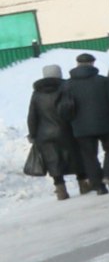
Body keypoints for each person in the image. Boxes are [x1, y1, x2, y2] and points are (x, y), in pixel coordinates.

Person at [61, 52, 109, 193]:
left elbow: (64, 108)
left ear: (77, 64)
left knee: (89, 156)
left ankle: (98, 187)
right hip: (104, 123)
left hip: (80, 127)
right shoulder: (104, 82)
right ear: (93, 63)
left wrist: (73, 121)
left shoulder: (67, 85)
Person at [25, 64, 76, 200]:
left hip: (45, 134)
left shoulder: (37, 94)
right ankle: (83, 183)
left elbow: (32, 116)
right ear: (59, 74)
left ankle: (61, 190)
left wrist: (33, 134)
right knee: (75, 156)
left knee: (53, 161)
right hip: (66, 130)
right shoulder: (66, 88)